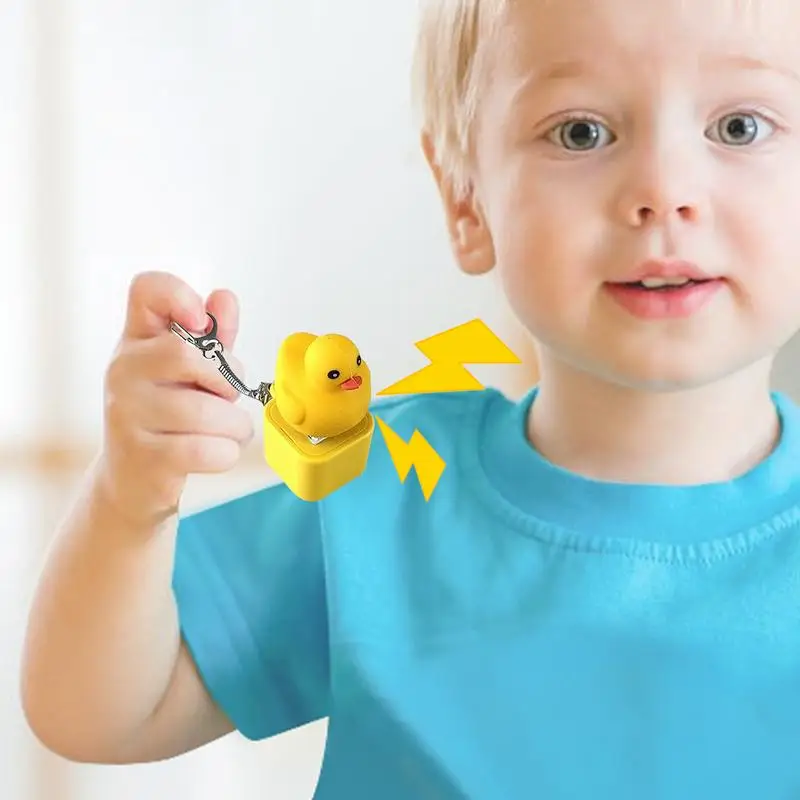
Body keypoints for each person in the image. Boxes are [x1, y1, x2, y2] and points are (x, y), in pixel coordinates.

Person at [20, 0, 800, 796]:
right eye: (581, 132)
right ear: (467, 200)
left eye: (740, 127)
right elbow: (101, 712)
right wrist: (130, 499)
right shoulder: (380, 486)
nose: (664, 192)